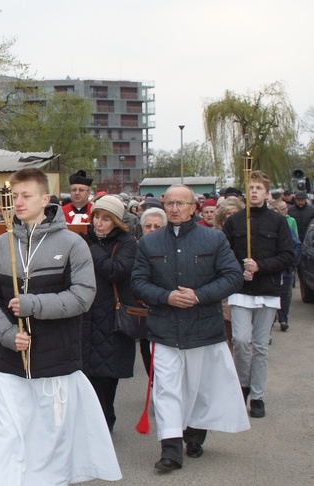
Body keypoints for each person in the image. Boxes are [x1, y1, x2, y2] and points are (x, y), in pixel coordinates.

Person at [0, 168, 121, 485]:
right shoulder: (0, 245)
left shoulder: (73, 244)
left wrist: (34, 305)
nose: (18, 202)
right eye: (13, 196)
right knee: (8, 439)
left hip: (56, 362)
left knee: (49, 444)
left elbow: (83, 297)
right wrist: (6, 334)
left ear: (46, 199)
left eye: (26, 195)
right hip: (11, 364)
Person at [132, 184, 249, 472]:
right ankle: (170, 450)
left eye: (180, 203)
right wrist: (166, 296)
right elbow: (138, 281)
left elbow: (233, 276)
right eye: (170, 203)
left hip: (203, 328)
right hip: (163, 329)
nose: (174, 209)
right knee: (167, 389)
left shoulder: (214, 239)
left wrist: (198, 295)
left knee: (197, 387)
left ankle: (195, 436)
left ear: (193, 206)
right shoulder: (148, 243)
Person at [223, 171, 295, 418]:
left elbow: (287, 255)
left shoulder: (278, 221)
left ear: (266, 192)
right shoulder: (234, 222)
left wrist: (260, 267)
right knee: (242, 341)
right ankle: (242, 385)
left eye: (259, 188)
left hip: (267, 290)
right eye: (250, 187)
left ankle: (258, 395)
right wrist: (238, 270)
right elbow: (225, 254)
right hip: (241, 291)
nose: (254, 191)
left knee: (261, 346)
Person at [81, 195, 137, 432]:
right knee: (87, 372)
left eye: (105, 219)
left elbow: (118, 271)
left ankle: (106, 420)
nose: (99, 223)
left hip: (111, 315)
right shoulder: (85, 239)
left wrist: (93, 250)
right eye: (96, 217)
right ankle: (90, 421)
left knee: (107, 373)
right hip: (86, 313)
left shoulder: (126, 243)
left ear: (116, 221)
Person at [136, 207, 167, 375]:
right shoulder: (135, 248)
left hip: (166, 308)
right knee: (147, 352)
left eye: (157, 226)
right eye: (148, 226)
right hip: (143, 310)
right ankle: (154, 384)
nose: (152, 230)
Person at [270, 200, 301, 333]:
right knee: (270, 297)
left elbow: (296, 244)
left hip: (285, 268)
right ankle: (269, 326)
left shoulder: (286, 227)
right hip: (269, 269)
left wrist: (291, 262)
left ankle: (283, 319)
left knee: (284, 295)